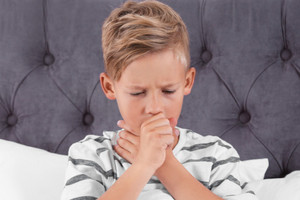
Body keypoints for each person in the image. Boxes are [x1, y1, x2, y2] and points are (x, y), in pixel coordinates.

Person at [61, 1, 258, 199]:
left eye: (168, 90)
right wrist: (144, 165)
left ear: (187, 82)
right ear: (109, 87)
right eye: (137, 93)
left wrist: (165, 165)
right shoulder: (92, 154)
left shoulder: (216, 155)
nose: (155, 108)